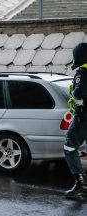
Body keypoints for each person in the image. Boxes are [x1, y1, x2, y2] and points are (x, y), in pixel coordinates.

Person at [64, 42, 87, 197]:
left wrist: (75, 97)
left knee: (69, 146)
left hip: (84, 117)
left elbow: (79, 93)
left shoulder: (83, 72)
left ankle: (81, 183)